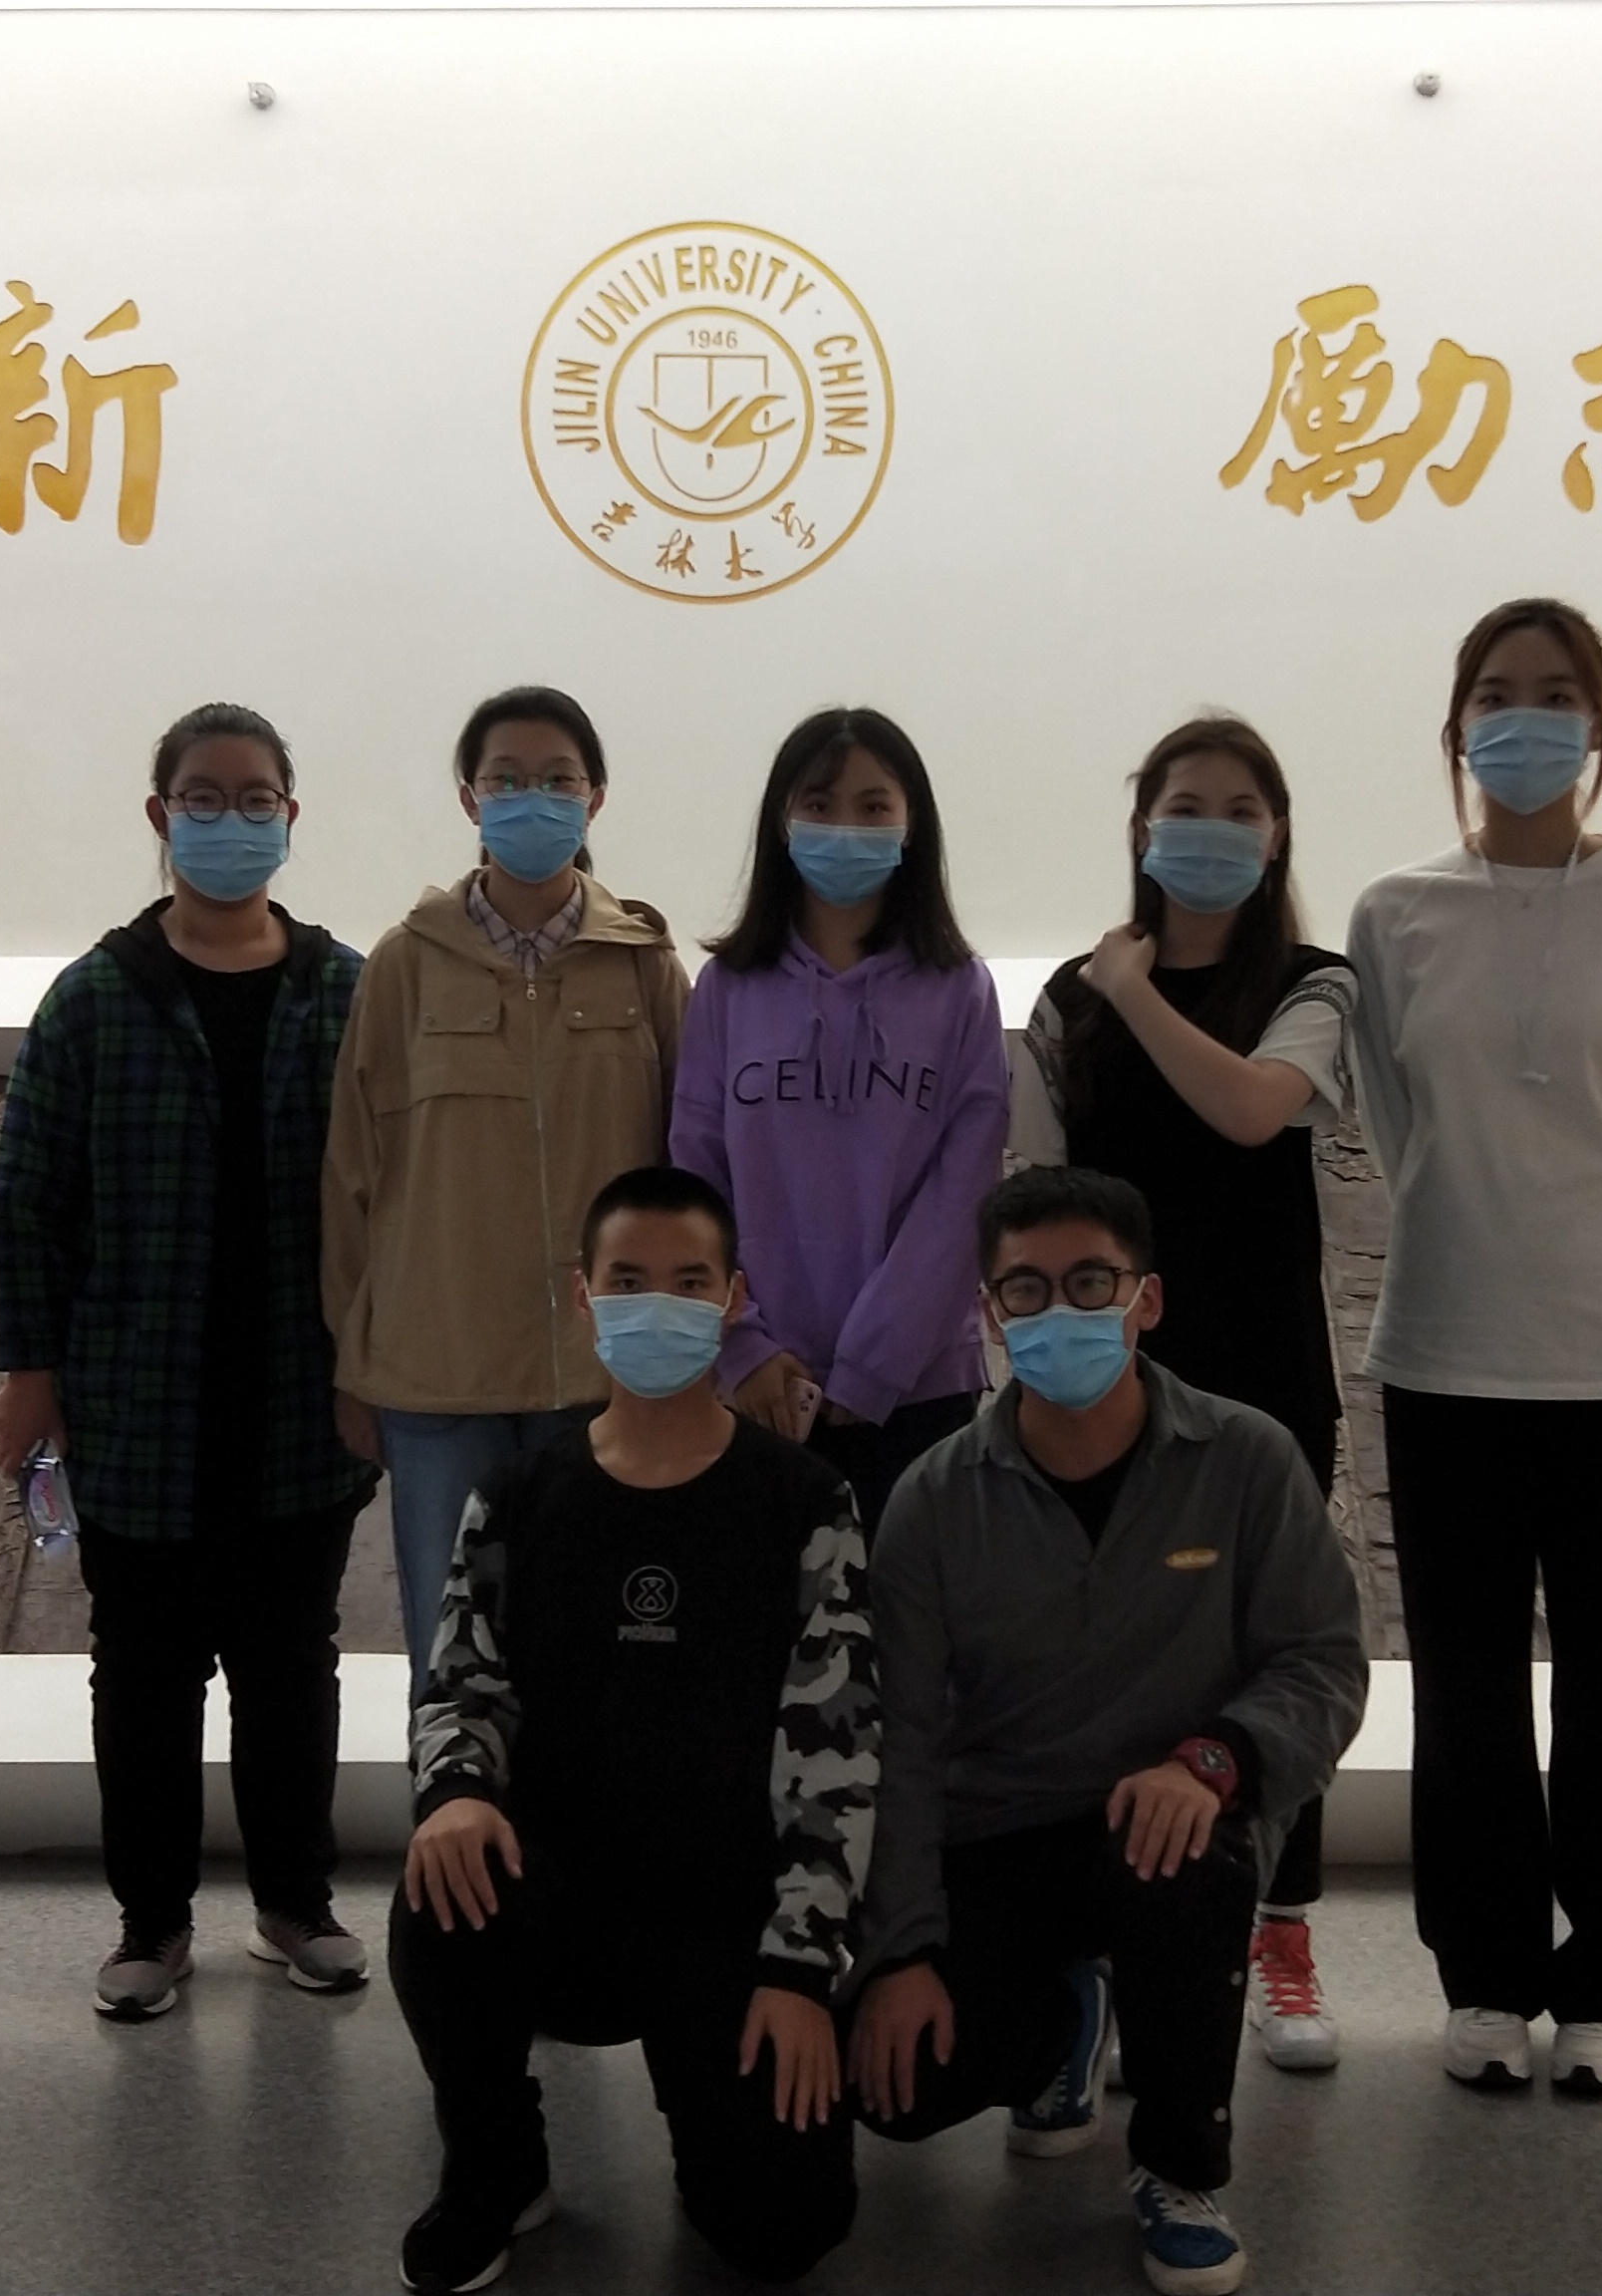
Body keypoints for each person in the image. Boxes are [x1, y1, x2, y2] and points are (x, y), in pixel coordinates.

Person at [1348, 596, 1602, 2097]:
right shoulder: (1396, 913)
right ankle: (1485, 1973)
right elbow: (1397, 1130)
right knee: (1462, 1694)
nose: (1527, 718)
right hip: (1448, 1350)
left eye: (1558, 692)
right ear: (1457, 729)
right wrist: (1488, 1249)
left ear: (1600, 725)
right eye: (1498, 694)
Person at [854, 1168, 1366, 2296]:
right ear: (989, 1313)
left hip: (1171, 1819)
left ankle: (1179, 2170)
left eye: (1091, 1282)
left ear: (1147, 1299)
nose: (1060, 1311)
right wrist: (899, 1953)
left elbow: (1323, 1661)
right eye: (1025, 1289)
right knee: (897, 2094)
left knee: (1179, 1867)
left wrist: (1216, 1760)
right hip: (999, 1833)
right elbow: (905, 1739)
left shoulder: (1246, 1459)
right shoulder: (934, 1499)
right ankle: (1063, 2023)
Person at [395, 1164, 873, 2293]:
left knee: (783, 2233)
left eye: (689, 1282)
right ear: (584, 1294)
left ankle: (711, 2113)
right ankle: (495, 2166)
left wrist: (801, 1968)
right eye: (628, 1280)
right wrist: (455, 1791)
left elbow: (836, 1751)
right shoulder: (518, 1495)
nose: (658, 1305)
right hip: (559, 1897)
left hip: (726, 1916)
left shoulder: (805, 1501)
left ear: (733, 1298)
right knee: (443, 1879)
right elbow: (460, 1682)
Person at [0, 702, 382, 2020]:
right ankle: (151, 1926)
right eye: (204, 798)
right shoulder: (95, 998)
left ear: (290, 816)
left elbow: (391, 1194)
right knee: (145, 1674)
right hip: (138, 1401)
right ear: (161, 818)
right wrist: (30, 1371)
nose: (232, 819)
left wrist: (377, 1361)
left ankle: (295, 1906)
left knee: (292, 1666)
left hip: (298, 1402)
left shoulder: (346, 992)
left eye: (256, 797)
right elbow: (27, 1199)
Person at [1010, 714, 1363, 2073]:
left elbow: (1254, 1109)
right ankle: (1111, 1945)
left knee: (1280, 1645)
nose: (1209, 830)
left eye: (1239, 809)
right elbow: (1036, 1185)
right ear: (1141, 827)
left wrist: (1138, 985)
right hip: (1107, 1378)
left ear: (1276, 837)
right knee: (1112, 1654)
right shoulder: (1068, 1001)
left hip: (1267, 1373)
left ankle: (1282, 1932)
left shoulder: (1313, 983)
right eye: (1184, 805)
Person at [327, 685, 692, 1682]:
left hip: (603, 1372)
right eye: (508, 779)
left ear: (596, 798)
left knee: (596, 1659)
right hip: (437, 1374)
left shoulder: (643, 964)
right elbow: (353, 1173)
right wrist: (354, 1360)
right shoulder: (404, 965)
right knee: (454, 1659)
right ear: (470, 798)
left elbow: (691, 1165)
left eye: (558, 780)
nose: (535, 799)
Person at [668, 706, 1008, 1525]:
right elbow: (697, 1179)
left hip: (916, 1388)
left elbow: (962, 1197)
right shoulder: (726, 988)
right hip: (756, 1386)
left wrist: (872, 1366)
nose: (845, 827)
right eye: (819, 804)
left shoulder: (960, 990)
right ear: (781, 822)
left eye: (872, 805)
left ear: (911, 824)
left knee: (906, 1605)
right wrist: (744, 1346)